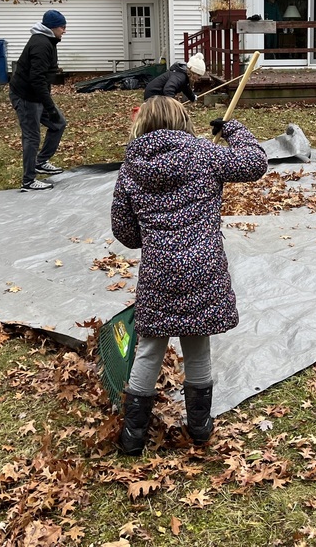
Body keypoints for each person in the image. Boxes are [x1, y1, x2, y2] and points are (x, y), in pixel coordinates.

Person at [110, 96, 268, 456]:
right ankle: (199, 427)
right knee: (197, 342)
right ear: (183, 121)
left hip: (158, 271)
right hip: (203, 268)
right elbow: (255, 162)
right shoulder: (205, 154)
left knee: (150, 346)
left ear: (143, 124)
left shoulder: (132, 166)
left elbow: (125, 231)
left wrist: (150, 235)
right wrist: (232, 129)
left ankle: (133, 435)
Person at [9, 9, 68, 192]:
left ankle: (40, 162)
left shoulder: (49, 40)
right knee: (32, 137)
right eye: (62, 27)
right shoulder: (41, 44)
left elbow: (43, 73)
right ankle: (28, 181)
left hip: (36, 95)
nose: (64, 31)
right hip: (26, 97)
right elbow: (36, 79)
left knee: (58, 123)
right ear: (53, 27)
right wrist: (49, 106)